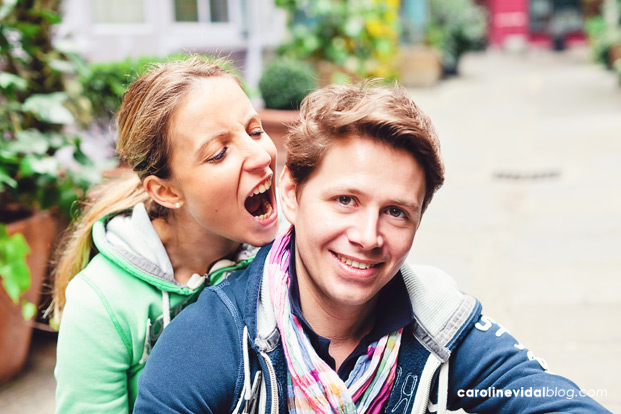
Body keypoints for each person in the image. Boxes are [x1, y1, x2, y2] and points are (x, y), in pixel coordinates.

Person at [134, 82, 611, 413]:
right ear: (292, 193)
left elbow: (547, 398)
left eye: (396, 212)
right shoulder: (212, 342)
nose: (368, 236)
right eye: (346, 200)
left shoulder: (439, 323)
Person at [52, 56, 280, 414]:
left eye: (254, 131)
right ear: (166, 192)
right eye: (219, 153)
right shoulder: (100, 304)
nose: (260, 156)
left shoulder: (286, 259)